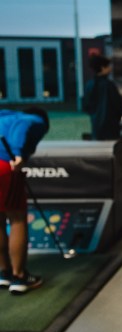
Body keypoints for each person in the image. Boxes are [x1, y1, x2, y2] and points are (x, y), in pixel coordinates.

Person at [0, 106, 49, 294]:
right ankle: (19, 277)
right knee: (17, 219)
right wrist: (19, 153)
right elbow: (21, 127)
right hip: (6, 166)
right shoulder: (34, 119)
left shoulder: (6, 116)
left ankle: (4, 273)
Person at [82, 54, 122, 140]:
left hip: (96, 127)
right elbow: (119, 105)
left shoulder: (89, 85)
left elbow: (86, 106)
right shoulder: (109, 85)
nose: (110, 68)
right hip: (111, 127)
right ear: (102, 68)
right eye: (108, 66)